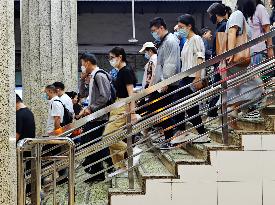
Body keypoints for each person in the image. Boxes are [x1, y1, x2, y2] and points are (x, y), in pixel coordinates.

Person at [171, 14, 211, 144]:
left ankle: (189, 131)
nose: (180, 29)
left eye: (182, 27)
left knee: (185, 105)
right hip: (185, 76)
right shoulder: (187, 41)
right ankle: (193, 132)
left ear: (190, 26)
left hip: (193, 77)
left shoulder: (196, 39)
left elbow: (200, 57)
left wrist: (198, 76)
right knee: (183, 105)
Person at [225, 0, 264, 129]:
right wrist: (231, 53)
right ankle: (230, 110)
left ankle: (232, 118)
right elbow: (232, 32)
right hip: (236, 60)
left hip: (239, 61)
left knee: (235, 89)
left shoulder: (241, 17)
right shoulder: (238, 14)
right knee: (258, 86)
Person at [78, 53, 113, 182]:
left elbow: (105, 96)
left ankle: (99, 171)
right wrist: (82, 79)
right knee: (90, 144)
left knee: (95, 144)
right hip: (93, 117)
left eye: (82, 64)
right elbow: (82, 94)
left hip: (100, 117)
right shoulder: (92, 77)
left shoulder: (100, 75)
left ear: (87, 63)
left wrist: (90, 108)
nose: (82, 66)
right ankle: (95, 170)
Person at [102, 47, 137, 177]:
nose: (110, 60)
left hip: (123, 105)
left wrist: (131, 112)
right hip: (118, 104)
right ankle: (121, 166)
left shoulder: (126, 71)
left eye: (112, 57)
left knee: (108, 137)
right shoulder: (121, 71)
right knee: (112, 138)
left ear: (120, 56)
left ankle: (132, 151)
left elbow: (131, 93)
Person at [149, 17, 181, 150]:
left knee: (163, 112)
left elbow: (170, 63)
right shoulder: (164, 41)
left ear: (161, 28)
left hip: (168, 83)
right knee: (160, 112)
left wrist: (165, 81)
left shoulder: (171, 41)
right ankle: (169, 137)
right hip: (162, 82)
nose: (153, 33)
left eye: (154, 30)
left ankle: (172, 136)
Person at [206, 3, 228, 123]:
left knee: (217, 86)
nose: (210, 17)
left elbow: (223, 46)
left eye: (210, 15)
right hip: (218, 62)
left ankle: (212, 112)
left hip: (220, 63)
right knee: (216, 87)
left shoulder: (223, 26)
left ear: (215, 14)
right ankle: (212, 112)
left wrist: (220, 61)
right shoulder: (221, 26)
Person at [248, 0, 274, 81]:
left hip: (259, 51)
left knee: (259, 81)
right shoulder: (249, 10)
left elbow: (267, 28)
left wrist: (270, 49)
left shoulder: (260, 8)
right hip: (251, 51)